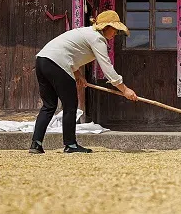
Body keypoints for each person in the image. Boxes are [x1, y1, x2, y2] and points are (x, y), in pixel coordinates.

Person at [29, 10, 138, 154]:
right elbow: (106, 67)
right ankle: (70, 145)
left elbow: (68, 51)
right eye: (115, 30)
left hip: (42, 61)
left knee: (49, 105)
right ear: (106, 27)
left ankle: (36, 144)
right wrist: (124, 89)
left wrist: (77, 74)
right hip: (57, 64)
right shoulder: (97, 38)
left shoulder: (85, 32)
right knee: (70, 106)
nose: (115, 34)